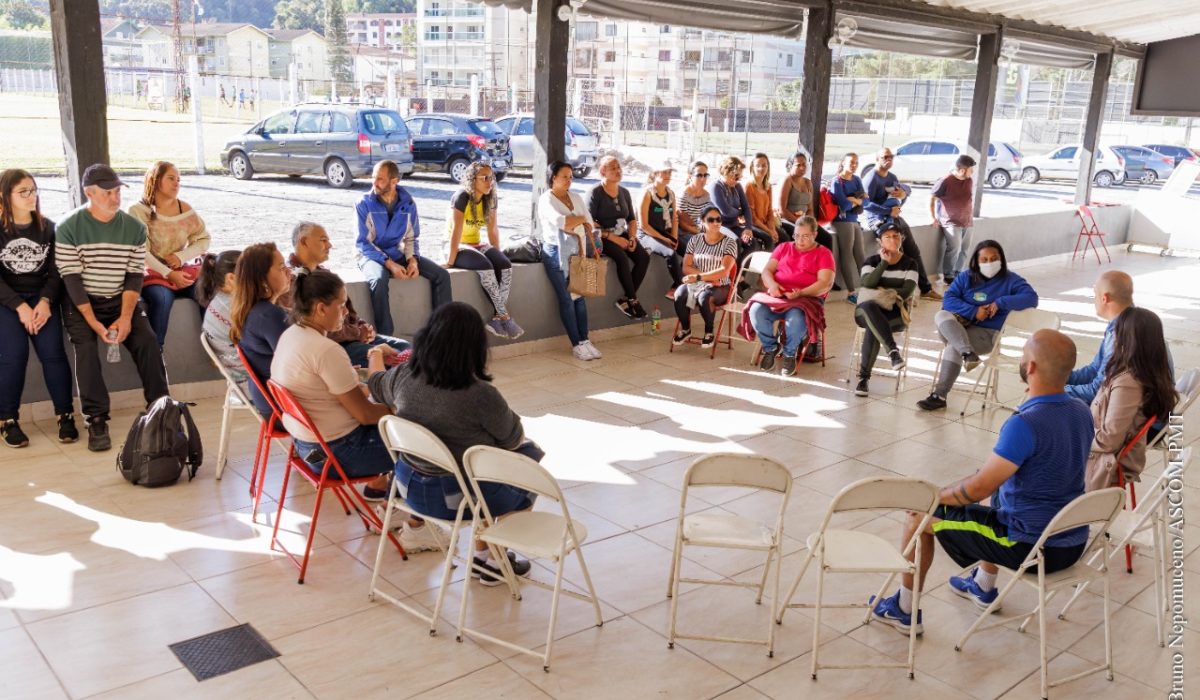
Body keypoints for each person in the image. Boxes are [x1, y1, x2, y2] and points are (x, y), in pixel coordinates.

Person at [871, 330, 1092, 634]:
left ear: (1030, 367)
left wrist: (936, 497)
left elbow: (978, 488)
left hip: (1030, 547)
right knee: (1000, 493)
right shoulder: (1081, 411)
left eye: (1024, 354)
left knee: (918, 517)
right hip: (1073, 541)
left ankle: (904, 609)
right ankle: (982, 585)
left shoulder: (1025, 423)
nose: (1021, 359)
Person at [369, 302, 543, 583]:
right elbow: (513, 439)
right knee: (529, 461)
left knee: (482, 470)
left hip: (409, 489)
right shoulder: (481, 395)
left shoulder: (403, 376)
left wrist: (376, 353)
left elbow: (375, 382)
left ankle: (484, 555)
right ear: (475, 347)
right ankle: (495, 560)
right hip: (457, 499)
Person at [270, 268, 442, 550]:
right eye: (341, 306)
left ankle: (392, 508)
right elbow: (365, 415)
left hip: (307, 448)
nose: (345, 313)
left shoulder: (291, 336)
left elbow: (330, 394)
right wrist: (405, 411)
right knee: (426, 440)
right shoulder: (325, 350)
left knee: (403, 424)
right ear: (320, 308)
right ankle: (417, 526)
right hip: (340, 452)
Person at [56, 164, 170, 452]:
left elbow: (134, 275)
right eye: (107, 192)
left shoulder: (134, 228)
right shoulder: (68, 227)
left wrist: (125, 317)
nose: (115, 197)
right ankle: (96, 419)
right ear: (89, 193)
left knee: (147, 342)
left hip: (122, 298)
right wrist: (94, 322)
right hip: (81, 300)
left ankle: (161, 410)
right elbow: (71, 278)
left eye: (118, 191)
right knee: (85, 349)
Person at [0, 169, 78, 446]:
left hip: (41, 298)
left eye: (33, 190)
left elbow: (57, 271)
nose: (31, 196)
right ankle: (7, 420)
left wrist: (45, 302)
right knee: (13, 355)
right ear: (5, 196)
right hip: (7, 300)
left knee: (53, 353)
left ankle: (65, 415)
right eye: (23, 192)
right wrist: (19, 306)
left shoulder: (49, 228)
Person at [917, 240, 1038, 411]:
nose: (989, 263)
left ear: (1001, 259)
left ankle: (939, 395)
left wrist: (1000, 302)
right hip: (957, 327)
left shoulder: (1011, 280)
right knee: (941, 315)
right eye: (984, 259)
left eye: (994, 259)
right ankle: (968, 354)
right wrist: (974, 311)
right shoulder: (966, 277)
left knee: (954, 346)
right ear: (976, 261)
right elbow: (948, 299)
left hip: (986, 334)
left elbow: (1032, 298)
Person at [284, 221, 411, 366]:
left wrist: (363, 325)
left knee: (405, 348)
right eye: (323, 240)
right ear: (304, 242)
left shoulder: (324, 273)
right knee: (393, 358)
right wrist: (357, 333)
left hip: (351, 336)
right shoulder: (290, 279)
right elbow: (310, 326)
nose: (329, 245)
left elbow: (347, 311)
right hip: (331, 344)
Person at [356, 159, 452, 336]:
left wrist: (412, 261)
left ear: (394, 181)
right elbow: (363, 242)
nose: (374, 183)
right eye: (374, 177)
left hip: (395, 252)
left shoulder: (408, 203)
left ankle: (443, 333)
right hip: (369, 255)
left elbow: (411, 237)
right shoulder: (364, 203)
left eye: (380, 179)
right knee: (379, 280)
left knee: (442, 275)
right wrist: (389, 264)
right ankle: (386, 338)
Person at [1085, 307, 1177, 491]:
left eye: (1117, 331)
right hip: (1099, 451)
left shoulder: (1129, 383)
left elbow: (1109, 439)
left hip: (1099, 465)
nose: (1114, 336)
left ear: (1127, 339)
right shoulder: (1149, 371)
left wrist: (1076, 436)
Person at [128, 161, 211, 347]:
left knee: (206, 292)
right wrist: (169, 273)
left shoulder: (185, 209)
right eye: (171, 178)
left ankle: (214, 346)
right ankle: (156, 352)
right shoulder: (137, 211)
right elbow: (141, 252)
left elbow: (204, 239)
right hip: (149, 272)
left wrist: (182, 256)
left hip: (179, 270)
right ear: (156, 180)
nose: (177, 184)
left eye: (179, 180)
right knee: (162, 298)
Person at [743, 216, 834, 376]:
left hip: (806, 298)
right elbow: (767, 271)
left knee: (796, 317)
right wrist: (773, 285)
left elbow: (825, 283)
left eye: (805, 236)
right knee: (755, 310)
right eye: (797, 235)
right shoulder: (784, 247)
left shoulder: (824, 253)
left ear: (815, 234)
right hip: (778, 295)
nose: (800, 240)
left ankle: (789, 354)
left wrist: (801, 293)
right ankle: (771, 348)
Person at [1065, 270, 1173, 404]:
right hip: (1159, 405)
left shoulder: (1122, 335)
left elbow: (1098, 392)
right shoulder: (1130, 322)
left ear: (1105, 298)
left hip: (1142, 412)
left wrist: (1055, 391)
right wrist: (1061, 379)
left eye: (1095, 295)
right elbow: (1095, 369)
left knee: (1054, 407)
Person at [446, 161, 523, 339]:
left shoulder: (491, 198)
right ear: (473, 180)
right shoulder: (462, 197)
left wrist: (497, 254)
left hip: (475, 243)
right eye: (485, 178)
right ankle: (504, 316)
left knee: (505, 265)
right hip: (456, 245)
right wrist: (450, 261)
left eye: (492, 178)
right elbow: (456, 231)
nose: (490, 182)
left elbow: (492, 230)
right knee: (485, 266)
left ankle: (496, 318)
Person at [537, 161, 601, 361]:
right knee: (566, 298)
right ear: (553, 178)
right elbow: (561, 222)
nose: (569, 180)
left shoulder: (576, 197)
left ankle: (585, 340)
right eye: (564, 176)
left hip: (578, 250)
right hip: (555, 253)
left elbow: (589, 223)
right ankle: (576, 344)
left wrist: (578, 220)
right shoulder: (546, 199)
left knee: (579, 298)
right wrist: (579, 219)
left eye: (571, 176)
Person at [862, 148, 939, 300]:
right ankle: (898, 293)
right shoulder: (871, 178)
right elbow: (865, 204)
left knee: (913, 252)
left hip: (895, 217)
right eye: (885, 157)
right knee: (898, 254)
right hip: (878, 220)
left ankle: (926, 289)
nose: (888, 159)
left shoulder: (892, 177)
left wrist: (904, 196)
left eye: (891, 157)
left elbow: (897, 201)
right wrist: (887, 211)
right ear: (877, 159)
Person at [852, 223, 920, 397]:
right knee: (870, 308)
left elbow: (907, 292)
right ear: (880, 241)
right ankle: (893, 352)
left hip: (895, 314)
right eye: (887, 237)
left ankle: (863, 379)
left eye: (896, 236)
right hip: (865, 311)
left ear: (901, 239)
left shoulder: (911, 264)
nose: (892, 240)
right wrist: (884, 263)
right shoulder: (871, 261)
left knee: (874, 326)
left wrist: (879, 291)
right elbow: (867, 283)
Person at [229, 242, 292, 417]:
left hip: (269, 404)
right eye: (281, 267)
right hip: (286, 409)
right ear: (262, 279)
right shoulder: (269, 315)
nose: (288, 271)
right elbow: (296, 365)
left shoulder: (253, 311)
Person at [588, 155, 650, 319]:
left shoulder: (624, 192)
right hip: (603, 236)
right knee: (621, 258)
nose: (618, 171)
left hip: (622, 233)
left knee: (643, 257)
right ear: (603, 171)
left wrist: (632, 237)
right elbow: (589, 223)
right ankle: (633, 300)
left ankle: (625, 299)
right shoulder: (595, 192)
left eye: (619, 167)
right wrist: (612, 238)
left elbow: (632, 219)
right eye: (613, 168)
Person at [671, 204, 738, 349]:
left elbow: (724, 271)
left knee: (704, 297)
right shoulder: (695, 240)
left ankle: (709, 332)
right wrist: (708, 278)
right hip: (702, 283)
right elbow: (686, 267)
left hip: (722, 286)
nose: (716, 223)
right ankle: (686, 329)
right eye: (711, 220)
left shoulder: (729, 243)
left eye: (718, 219)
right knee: (679, 294)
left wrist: (698, 277)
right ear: (702, 222)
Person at [196, 249, 248, 388]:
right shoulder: (236, 309)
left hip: (237, 381)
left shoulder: (220, 301)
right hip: (253, 386)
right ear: (231, 278)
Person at [637, 163, 687, 298]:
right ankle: (681, 287)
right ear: (655, 173)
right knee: (670, 253)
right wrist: (665, 239)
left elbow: (674, 219)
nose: (668, 175)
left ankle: (675, 286)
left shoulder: (670, 193)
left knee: (690, 251)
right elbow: (643, 226)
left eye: (669, 172)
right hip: (647, 235)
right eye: (664, 172)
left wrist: (674, 238)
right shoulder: (647, 193)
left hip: (664, 233)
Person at [710, 156, 773, 258]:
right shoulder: (716, 186)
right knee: (737, 242)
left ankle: (759, 266)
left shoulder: (737, 186)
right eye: (736, 176)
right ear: (727, 172)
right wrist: (739, 212)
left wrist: (748, 228)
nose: (738, 179)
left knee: (763, 239)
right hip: (720, 226)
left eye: (739, 177)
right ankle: (736, 267)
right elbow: (726, 211)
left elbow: (746, 208)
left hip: (734, 225)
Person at [929, 155, 977, 284]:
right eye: (971, 169)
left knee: (965, 249)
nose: (972, 172)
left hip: (967, 221)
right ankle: (948, 276)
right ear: (962, 170)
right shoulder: (945, 181)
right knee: (955, 248)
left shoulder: (969, 180)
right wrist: (934, 218)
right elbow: (932, 199)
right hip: (950, 221)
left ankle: (958, 273)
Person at [829, 153, 867, 302]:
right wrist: (856, 200)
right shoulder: (837, 182)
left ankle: (867, 288)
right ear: (843, 163)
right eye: (851, 162)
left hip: (854, 220)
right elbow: (843, 206)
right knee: (847, 254)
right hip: (841, 221)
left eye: (856, 162)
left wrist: (853, 200)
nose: (854, 165)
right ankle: (851, 293)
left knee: (860, 255)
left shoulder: (856, 179)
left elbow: (865, 202)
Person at [777, 152, 832, 249]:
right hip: (788, 220)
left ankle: (822, 259)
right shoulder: (787, 181)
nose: (802, 168)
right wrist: (799, 222)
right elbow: (782, 210)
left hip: (804, 220)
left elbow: (810, 208)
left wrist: (809, 222)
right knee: (803, 238)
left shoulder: (808, 182)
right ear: (790, 166)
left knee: (827, 238)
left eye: (804, 165)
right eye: (798, 165)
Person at [744, 153, 786, 245]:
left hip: (765, 223)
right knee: (769, 239)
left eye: (764, 165)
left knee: (784, 237)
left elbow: (770, 211)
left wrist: (772, 229)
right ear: (752, 168)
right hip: (754, 224)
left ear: (768, 167)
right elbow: (752, 217)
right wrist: (769, 231)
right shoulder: (749, 186)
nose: (761, 168)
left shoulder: (768, 186)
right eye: (758, 166)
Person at [677, 161, 712, 238]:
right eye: (699, 175)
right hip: (683, 232)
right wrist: (700, 232)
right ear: (690, 177)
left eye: (705, 175)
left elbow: (705, 218)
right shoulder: (683, 195)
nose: (703, 179)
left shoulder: (706, 195)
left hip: (699, 228)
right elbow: (683, 223)